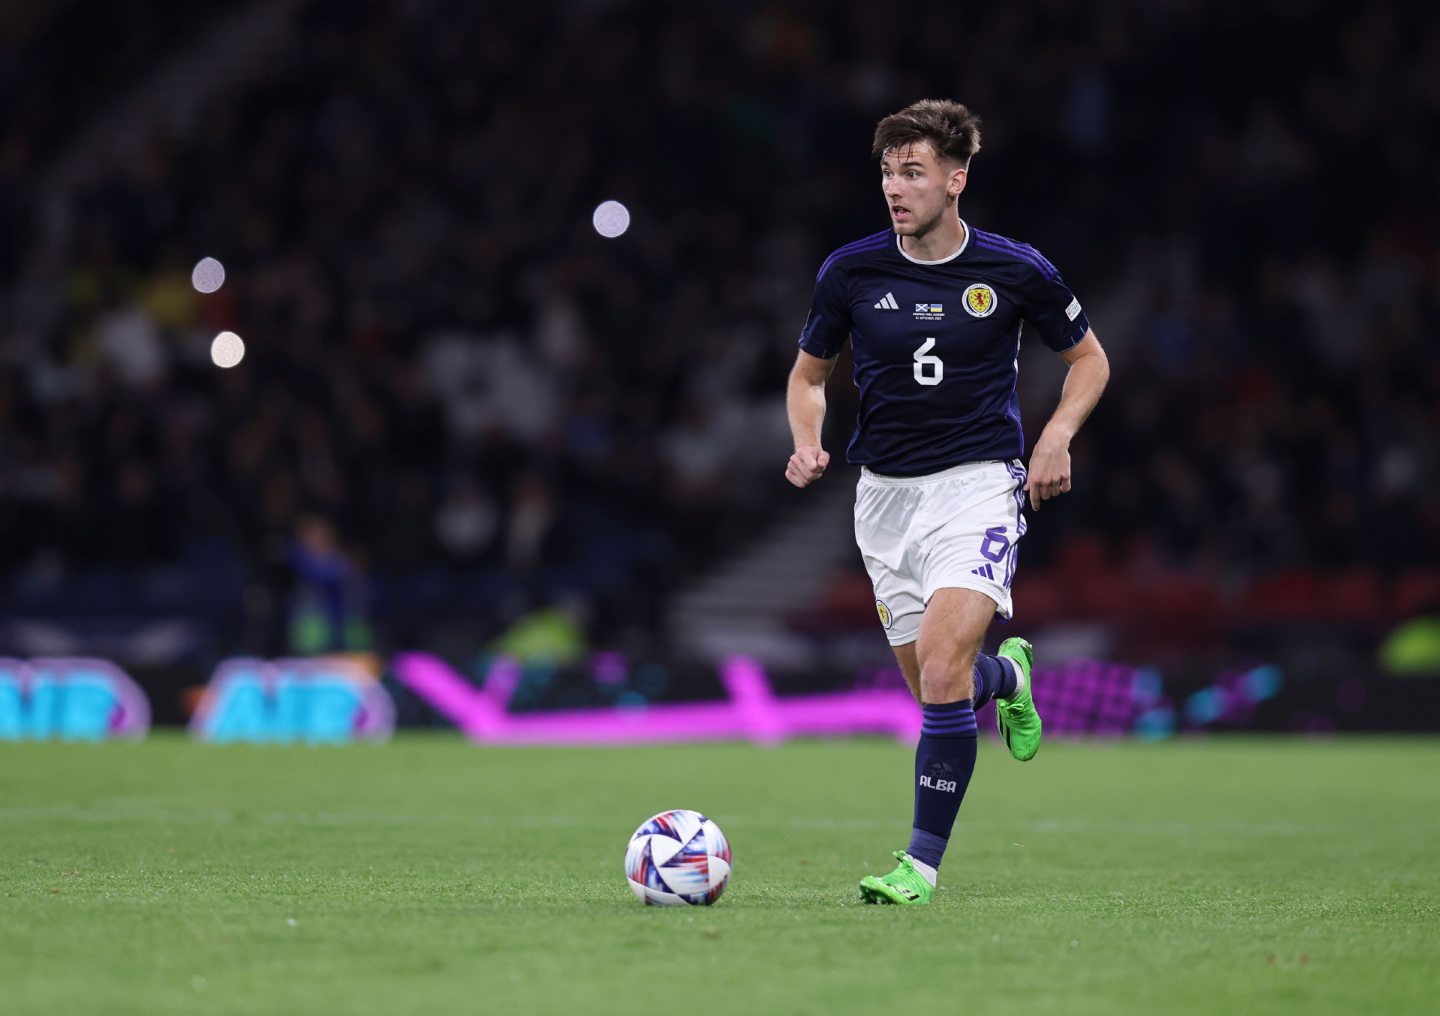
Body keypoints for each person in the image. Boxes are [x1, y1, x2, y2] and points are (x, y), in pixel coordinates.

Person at [785, 99, 1110, 905]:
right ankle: (1010, 677)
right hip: (883, 501)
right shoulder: (850, 271)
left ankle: (918, 866)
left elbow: (1091, 361)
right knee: (948, 688)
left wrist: (1057, 435)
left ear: (956, 180)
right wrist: (806, 439)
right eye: (889, 172)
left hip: (978, 489)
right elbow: (808, 376)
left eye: (914, 172)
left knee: (937, 669)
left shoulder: (1014, 269)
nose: (896, 188)